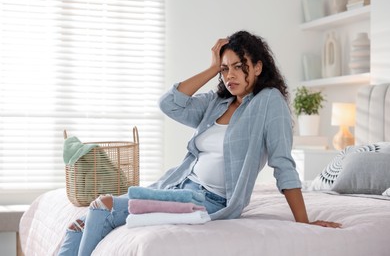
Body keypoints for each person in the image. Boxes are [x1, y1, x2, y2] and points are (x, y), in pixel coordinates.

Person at [58, 30, 341, 256]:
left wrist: (304, 223)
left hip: (207, 201)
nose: (229, 75)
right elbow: (170, 104)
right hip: (178, 186)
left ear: (257, 67)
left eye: (238, 67)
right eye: (224, 68)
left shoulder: (269, 103)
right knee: (77, 225)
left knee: (101, 206)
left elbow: (282, 163)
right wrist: (210, 68)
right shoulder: (217, 102)